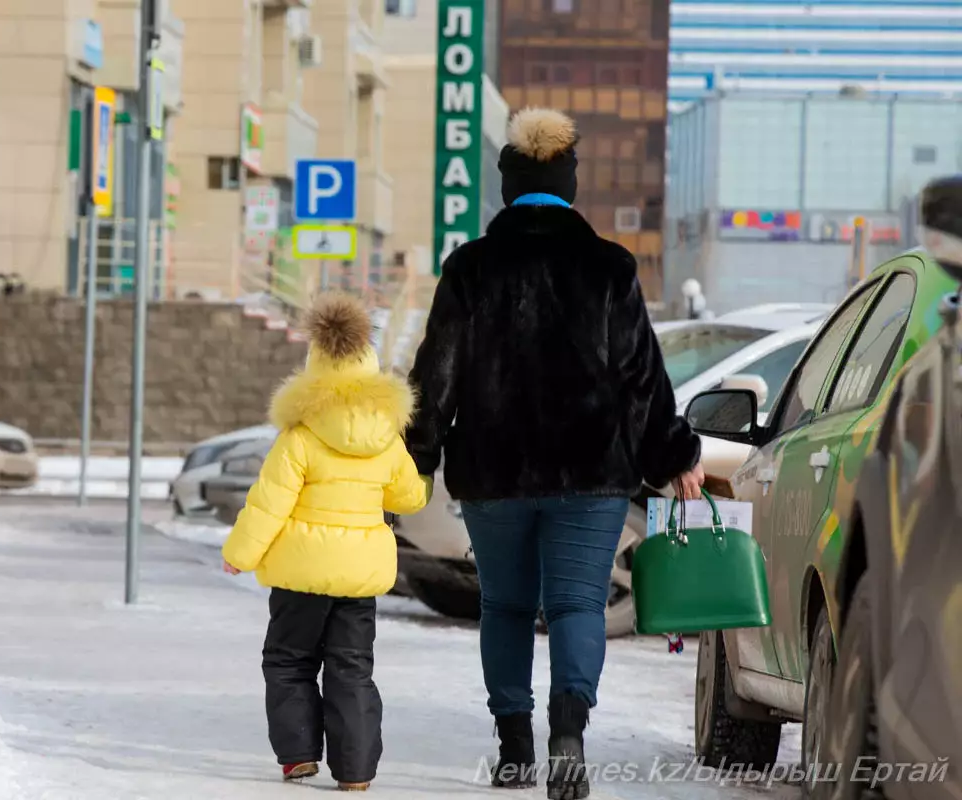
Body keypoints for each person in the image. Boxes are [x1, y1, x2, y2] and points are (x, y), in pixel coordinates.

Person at [405, 107, 705, 800]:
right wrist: (673, 452)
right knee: (575, 606)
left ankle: (514, 748)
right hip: (590, 474)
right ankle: (568, 732)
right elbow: (641, 378)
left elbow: (436, 376)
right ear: (569, 184)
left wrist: (415, 457)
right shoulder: (608, 266)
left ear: (509, 187)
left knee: (505, 608)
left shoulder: (470, 268)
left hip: (493, 473)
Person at [221, 292, 430, 793]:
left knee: (289, 660)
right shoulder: (388, 437)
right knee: (351, 667)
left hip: (300, 574)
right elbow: (410, 497)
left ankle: (297, 757)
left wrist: (239, 555)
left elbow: (269, 502)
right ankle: (356, 773)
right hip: (358, 577)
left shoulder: (301, 435)